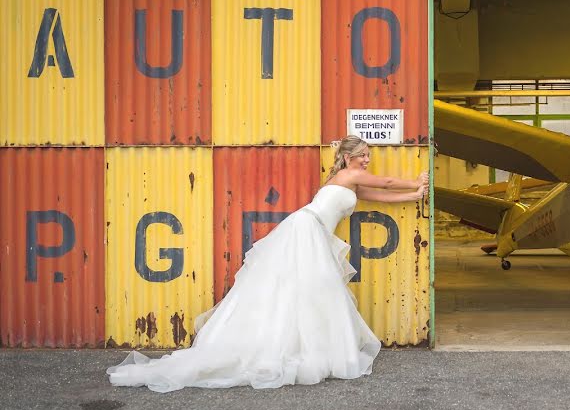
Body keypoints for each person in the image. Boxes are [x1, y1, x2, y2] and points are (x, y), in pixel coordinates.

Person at [108, 136, 429, 392]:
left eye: (368, 155)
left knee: (304, 292)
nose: (367, 160)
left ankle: (304, 347)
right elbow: (385, 183)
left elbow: (380, 196)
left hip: (309, 231)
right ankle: (299, 349)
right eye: (363, 155)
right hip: (307, 230)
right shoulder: (348, 174)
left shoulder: (350, 182)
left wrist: (415, 194)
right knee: (312, 290)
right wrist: (412, 180)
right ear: (348, 157)